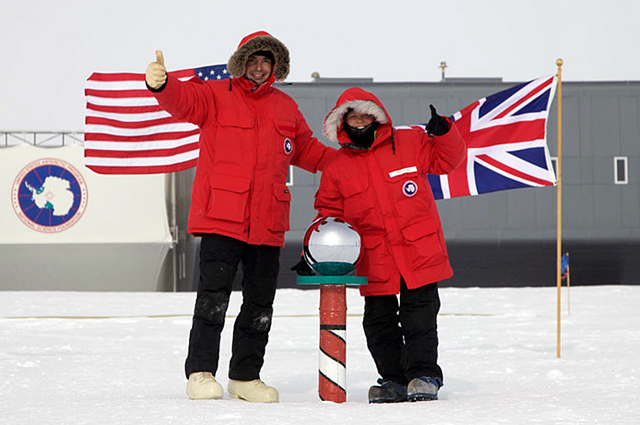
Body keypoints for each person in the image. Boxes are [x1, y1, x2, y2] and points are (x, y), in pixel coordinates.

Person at [145, 31, 336, 403]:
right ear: (240, 63)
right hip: (222, 219)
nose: (260, 67)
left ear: (276, 67)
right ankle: (200, 373)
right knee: (212, 299)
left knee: (260, 305)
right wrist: (163, 84)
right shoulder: (215, 96)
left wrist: (351, 162)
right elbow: (183, 101)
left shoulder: (286, 108)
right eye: (254, 60)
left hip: (267, 224)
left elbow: (309, 150)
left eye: (267, 61)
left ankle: (245, 377)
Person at [298, 87, 465, 403]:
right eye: (353, 116)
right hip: (375, 259)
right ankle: (394, 380)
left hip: (418, 251)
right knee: (378, 323)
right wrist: (316, 251)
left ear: (376, 116)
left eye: (364, 114)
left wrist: (445, 133)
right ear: (343, 123)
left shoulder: (410, 142)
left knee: (420, 318)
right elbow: (329, 217)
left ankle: (423, 376)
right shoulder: (337, 167)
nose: (360, 121)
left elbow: (448, 160)